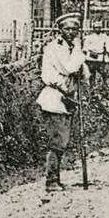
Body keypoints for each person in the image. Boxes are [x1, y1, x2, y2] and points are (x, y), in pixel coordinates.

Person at [37, 12, 86, 192]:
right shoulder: (54, 48)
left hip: (68, 98)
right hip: (54, 97)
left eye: (75, 29)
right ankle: (51, 181)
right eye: (67, 28)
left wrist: (82, 73)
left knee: (62, 141)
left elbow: (82, 73)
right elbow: (69, 67)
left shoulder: (72, 48)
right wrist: (80, 52)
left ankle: (55, 178)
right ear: (60, 30)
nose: (71, 32)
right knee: (57, 141)